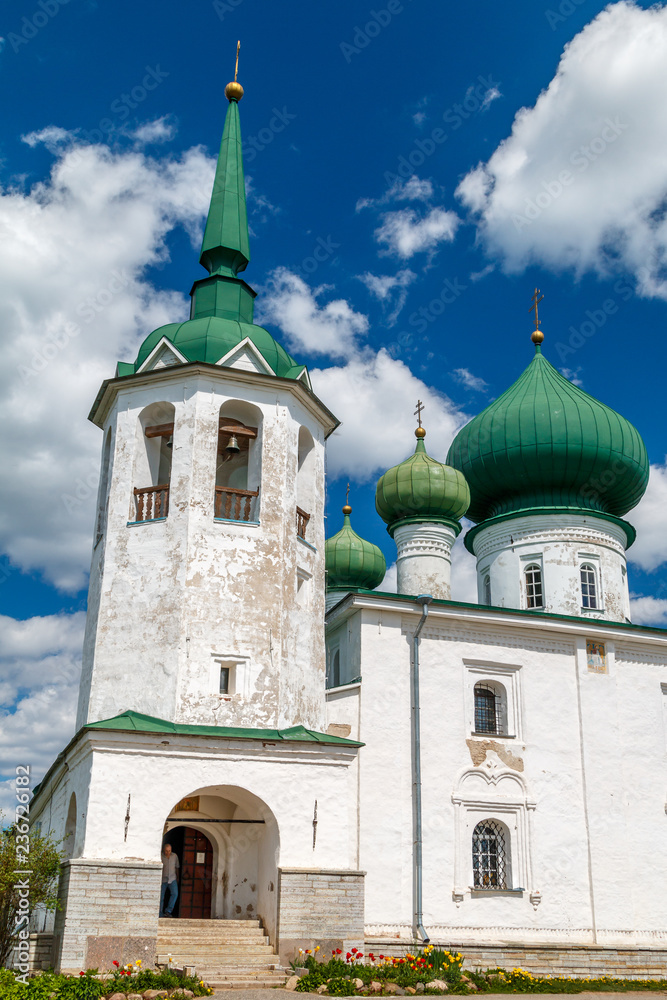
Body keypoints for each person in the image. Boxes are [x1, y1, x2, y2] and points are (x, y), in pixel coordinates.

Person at [160, 842, 179, 917]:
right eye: (166, 851)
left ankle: (168, 911)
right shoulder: (160, 857)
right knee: (161, 897)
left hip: (172, 878)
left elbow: (177, 867)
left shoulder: (174, 856)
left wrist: (177, 878)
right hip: (163, 879)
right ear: (163, 850)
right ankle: (160, 913)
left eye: (169, 850)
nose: (168, 852)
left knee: (175, 894)